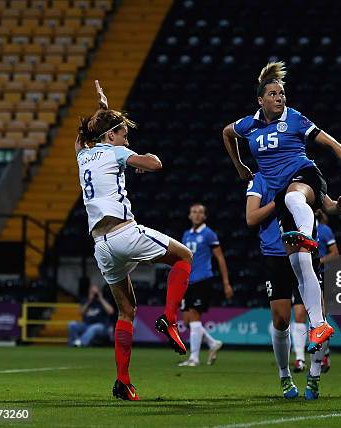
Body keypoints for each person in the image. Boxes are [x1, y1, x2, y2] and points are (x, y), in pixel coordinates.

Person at [223, 61, 341, 353]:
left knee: (291, 199)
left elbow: (333, 144)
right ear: (260, 100)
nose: (279, 98)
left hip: (306, 178)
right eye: (273, 94)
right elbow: (226, 133)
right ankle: (319, 324)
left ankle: (304, 233)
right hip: (287, 198)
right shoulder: (248, 125)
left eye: (282, 94)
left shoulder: (295, 119)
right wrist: (239, 167)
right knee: (300, 263)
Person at [76, 81, 193, 401]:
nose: (127, 138)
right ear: (111, 136)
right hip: (123, 233)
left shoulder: (82, 155)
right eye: (123, 133)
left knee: (126, 311)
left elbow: (82, 138)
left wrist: (101, 110)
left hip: (100, 245)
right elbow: (155, 164)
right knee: (184, 257)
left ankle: (123, 382)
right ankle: (170, 319)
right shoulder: (116, 150)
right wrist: (138, 156)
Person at [246, 171, 341, 399]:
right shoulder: (261, 179)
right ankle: (285, 375)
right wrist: (278, 201)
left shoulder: (304, 171)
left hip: (306, 251)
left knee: (317, 316)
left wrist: (339, 206)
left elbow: (328, 205)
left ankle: (314, 376)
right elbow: (251, 218)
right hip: (275, 255)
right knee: (281, 319)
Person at [178, 203, 233, 367]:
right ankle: (213, 342)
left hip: (203, 279)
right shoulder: (186, 235)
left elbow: (220, 258)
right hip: (188, 281)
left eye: (200, 212)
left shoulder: (209, 234)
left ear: (204, 216)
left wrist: (226, 283)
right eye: (193, 212)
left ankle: (194, 358)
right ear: (189, 215)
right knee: (187, 321)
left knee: (195, 316)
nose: (196, 214)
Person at [315, 209, 339, 373]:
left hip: (323, 275)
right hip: (306, 276)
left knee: (321, 315)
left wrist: (319, 260)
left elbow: (335, 254)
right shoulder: (301, 227)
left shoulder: (323, 230)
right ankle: (319, 355)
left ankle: (324, 354)